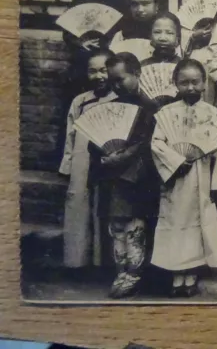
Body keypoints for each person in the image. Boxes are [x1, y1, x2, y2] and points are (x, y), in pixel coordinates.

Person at [150, 59, 217, 297]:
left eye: (195, 82)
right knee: (177, 223)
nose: (190, 88)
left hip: (202, 176)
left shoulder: (211, 112)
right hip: (177, 179)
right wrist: (176, 162)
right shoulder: (166, 113)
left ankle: (191, 274)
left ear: (204, 83)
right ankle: (177, 275)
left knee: (199, 224)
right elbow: (156, 144)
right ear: (175, 84)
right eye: (184, 82)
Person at [89, 52, 158, 299]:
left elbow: (147, 143)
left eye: (121, 79)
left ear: (137, 74)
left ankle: (134, 275)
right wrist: (103, 156)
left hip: (139, 178)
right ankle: (120, 273)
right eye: (113, 80)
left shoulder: (151, 108)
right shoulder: (109, 107)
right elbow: (96, 139)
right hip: (113, 177)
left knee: (135, 227)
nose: (116, 85)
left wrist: (121, 157)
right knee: (116, 227)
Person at [59, 50, 117, 271]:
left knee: (103, 206)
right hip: (82, 159)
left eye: (104, 70)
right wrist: (67, 165)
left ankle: (104, 263)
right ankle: (77, 262)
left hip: (107, 159)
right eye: (93, 71)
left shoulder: (119, 100)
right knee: (79, 204)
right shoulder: (80, 102)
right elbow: (70, 135)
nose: (99, 76)